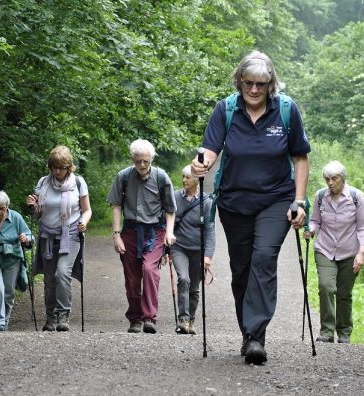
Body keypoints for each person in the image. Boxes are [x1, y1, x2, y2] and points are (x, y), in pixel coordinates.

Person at [191, 50, 311, 364]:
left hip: (276, 199)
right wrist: (201, 164)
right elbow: (210, 148)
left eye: (261, 84)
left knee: (264, 257)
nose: (254, 90)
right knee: (241, 269)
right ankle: (248, 334)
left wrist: (298, 200)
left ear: (271, 84)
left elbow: (300, 157)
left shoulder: (286, 110)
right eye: (248, 83)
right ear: (239, 82)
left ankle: (257, 336)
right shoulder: (226, 110)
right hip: (234, 202)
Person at [107, 139, 176, 334]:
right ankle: (135, 318)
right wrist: (116, 235)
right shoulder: (123, 177)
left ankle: (149, 318)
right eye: (138, 161)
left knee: (149, 270)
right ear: (133, 159)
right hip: (129, 232)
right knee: (132, 278)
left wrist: (169, 232)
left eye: (146, 161)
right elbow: (117, 206)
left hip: (154, 232)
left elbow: (170, 209)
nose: (142, 165)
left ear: (151, 159)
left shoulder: (161, 177)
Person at [26, 145, 92, 332]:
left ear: (69, 167)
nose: (57, 171)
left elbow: (87, 210)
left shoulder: (78, 183)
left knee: (62, 273)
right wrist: (32, 205)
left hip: (70, 234)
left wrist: (84, 222)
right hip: (47, 235)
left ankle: (63, 315)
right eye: (54, 167)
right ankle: (50, 317)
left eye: (61, 167)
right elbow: (37, 213)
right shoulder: (43, 183)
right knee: (49, 279)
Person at [304, 160, 364, 344]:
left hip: (349, 251)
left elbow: (363, 227)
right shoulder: (321, 196)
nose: (330, 183)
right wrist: (311, 230)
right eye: (327, 179)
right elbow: (315, 220)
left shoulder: (356, 197)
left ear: (342, 178)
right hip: (325, 249)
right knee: (326, 287)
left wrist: (361, 253)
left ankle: (344, 333)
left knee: (344, 294)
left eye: (334, 179)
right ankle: (327, 332)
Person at [171, 165, 215, 335]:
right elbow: (167, 222)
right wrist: (164, 249)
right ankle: (182, 319)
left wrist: (208, 256)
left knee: (195, 288)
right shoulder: (175, 197)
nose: (184, 180)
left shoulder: (207, 202)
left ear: (197, 180)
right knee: (183, 279)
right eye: (183, 177)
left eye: (187, 177)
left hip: (198, 249)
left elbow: (210, 230)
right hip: (179, 247)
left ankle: (191, 320)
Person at [0, 191, 32, 331]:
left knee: (8, 292)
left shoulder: (16, 218)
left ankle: (4, 321)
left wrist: (26, 238)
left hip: (12, 259)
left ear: (7, 207)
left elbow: (30, 235)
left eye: (2, 208)